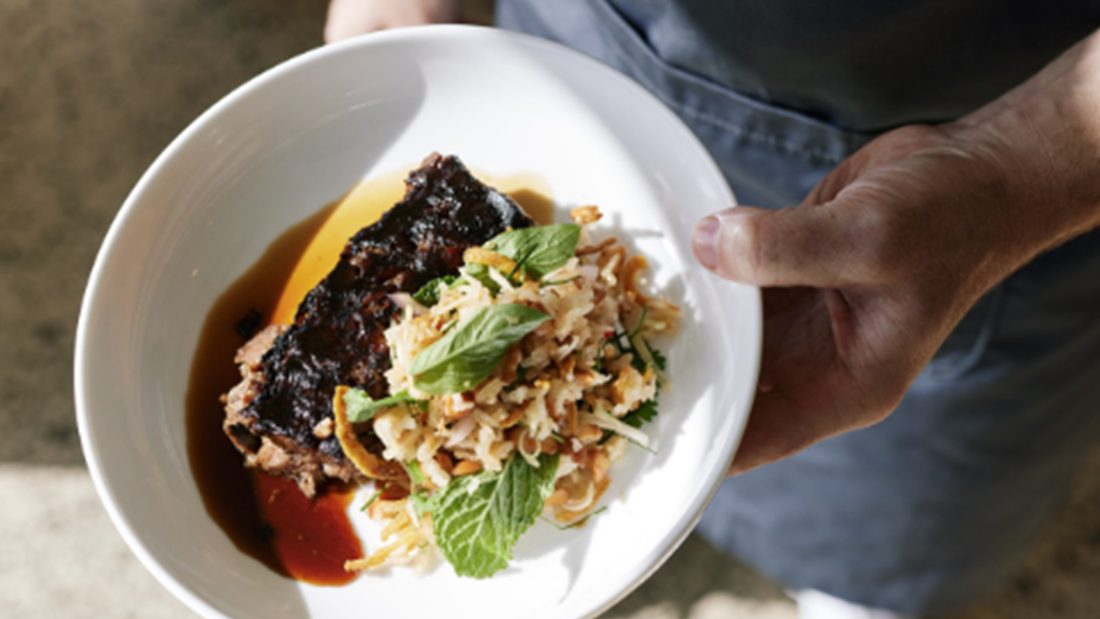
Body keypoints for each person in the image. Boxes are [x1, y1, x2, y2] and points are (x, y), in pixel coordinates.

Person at [325, 2, 1100, 617]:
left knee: (885, 518)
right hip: (584, 47)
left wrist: (1012, 169)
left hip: (978, 116)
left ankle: (858, 589)